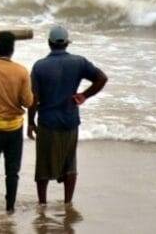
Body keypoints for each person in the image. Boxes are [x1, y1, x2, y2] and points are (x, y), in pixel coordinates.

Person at [28, 26, 108, 205]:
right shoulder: (79, 62)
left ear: (49, 43)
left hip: (47, 122)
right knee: (70, 163)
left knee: (43, 165)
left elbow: (33, 97)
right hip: (70, 120)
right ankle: (67, 202)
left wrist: (30, 122)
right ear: (66, 43)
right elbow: (102, 78)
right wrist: (84, 95)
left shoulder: (40, 66)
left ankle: (42, 203)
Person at [0, 31, 33, 213]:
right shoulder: (21, 71)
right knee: (12, 172)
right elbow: (28, 102)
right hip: (13, 128)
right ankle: (10, 208)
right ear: (13, 49)